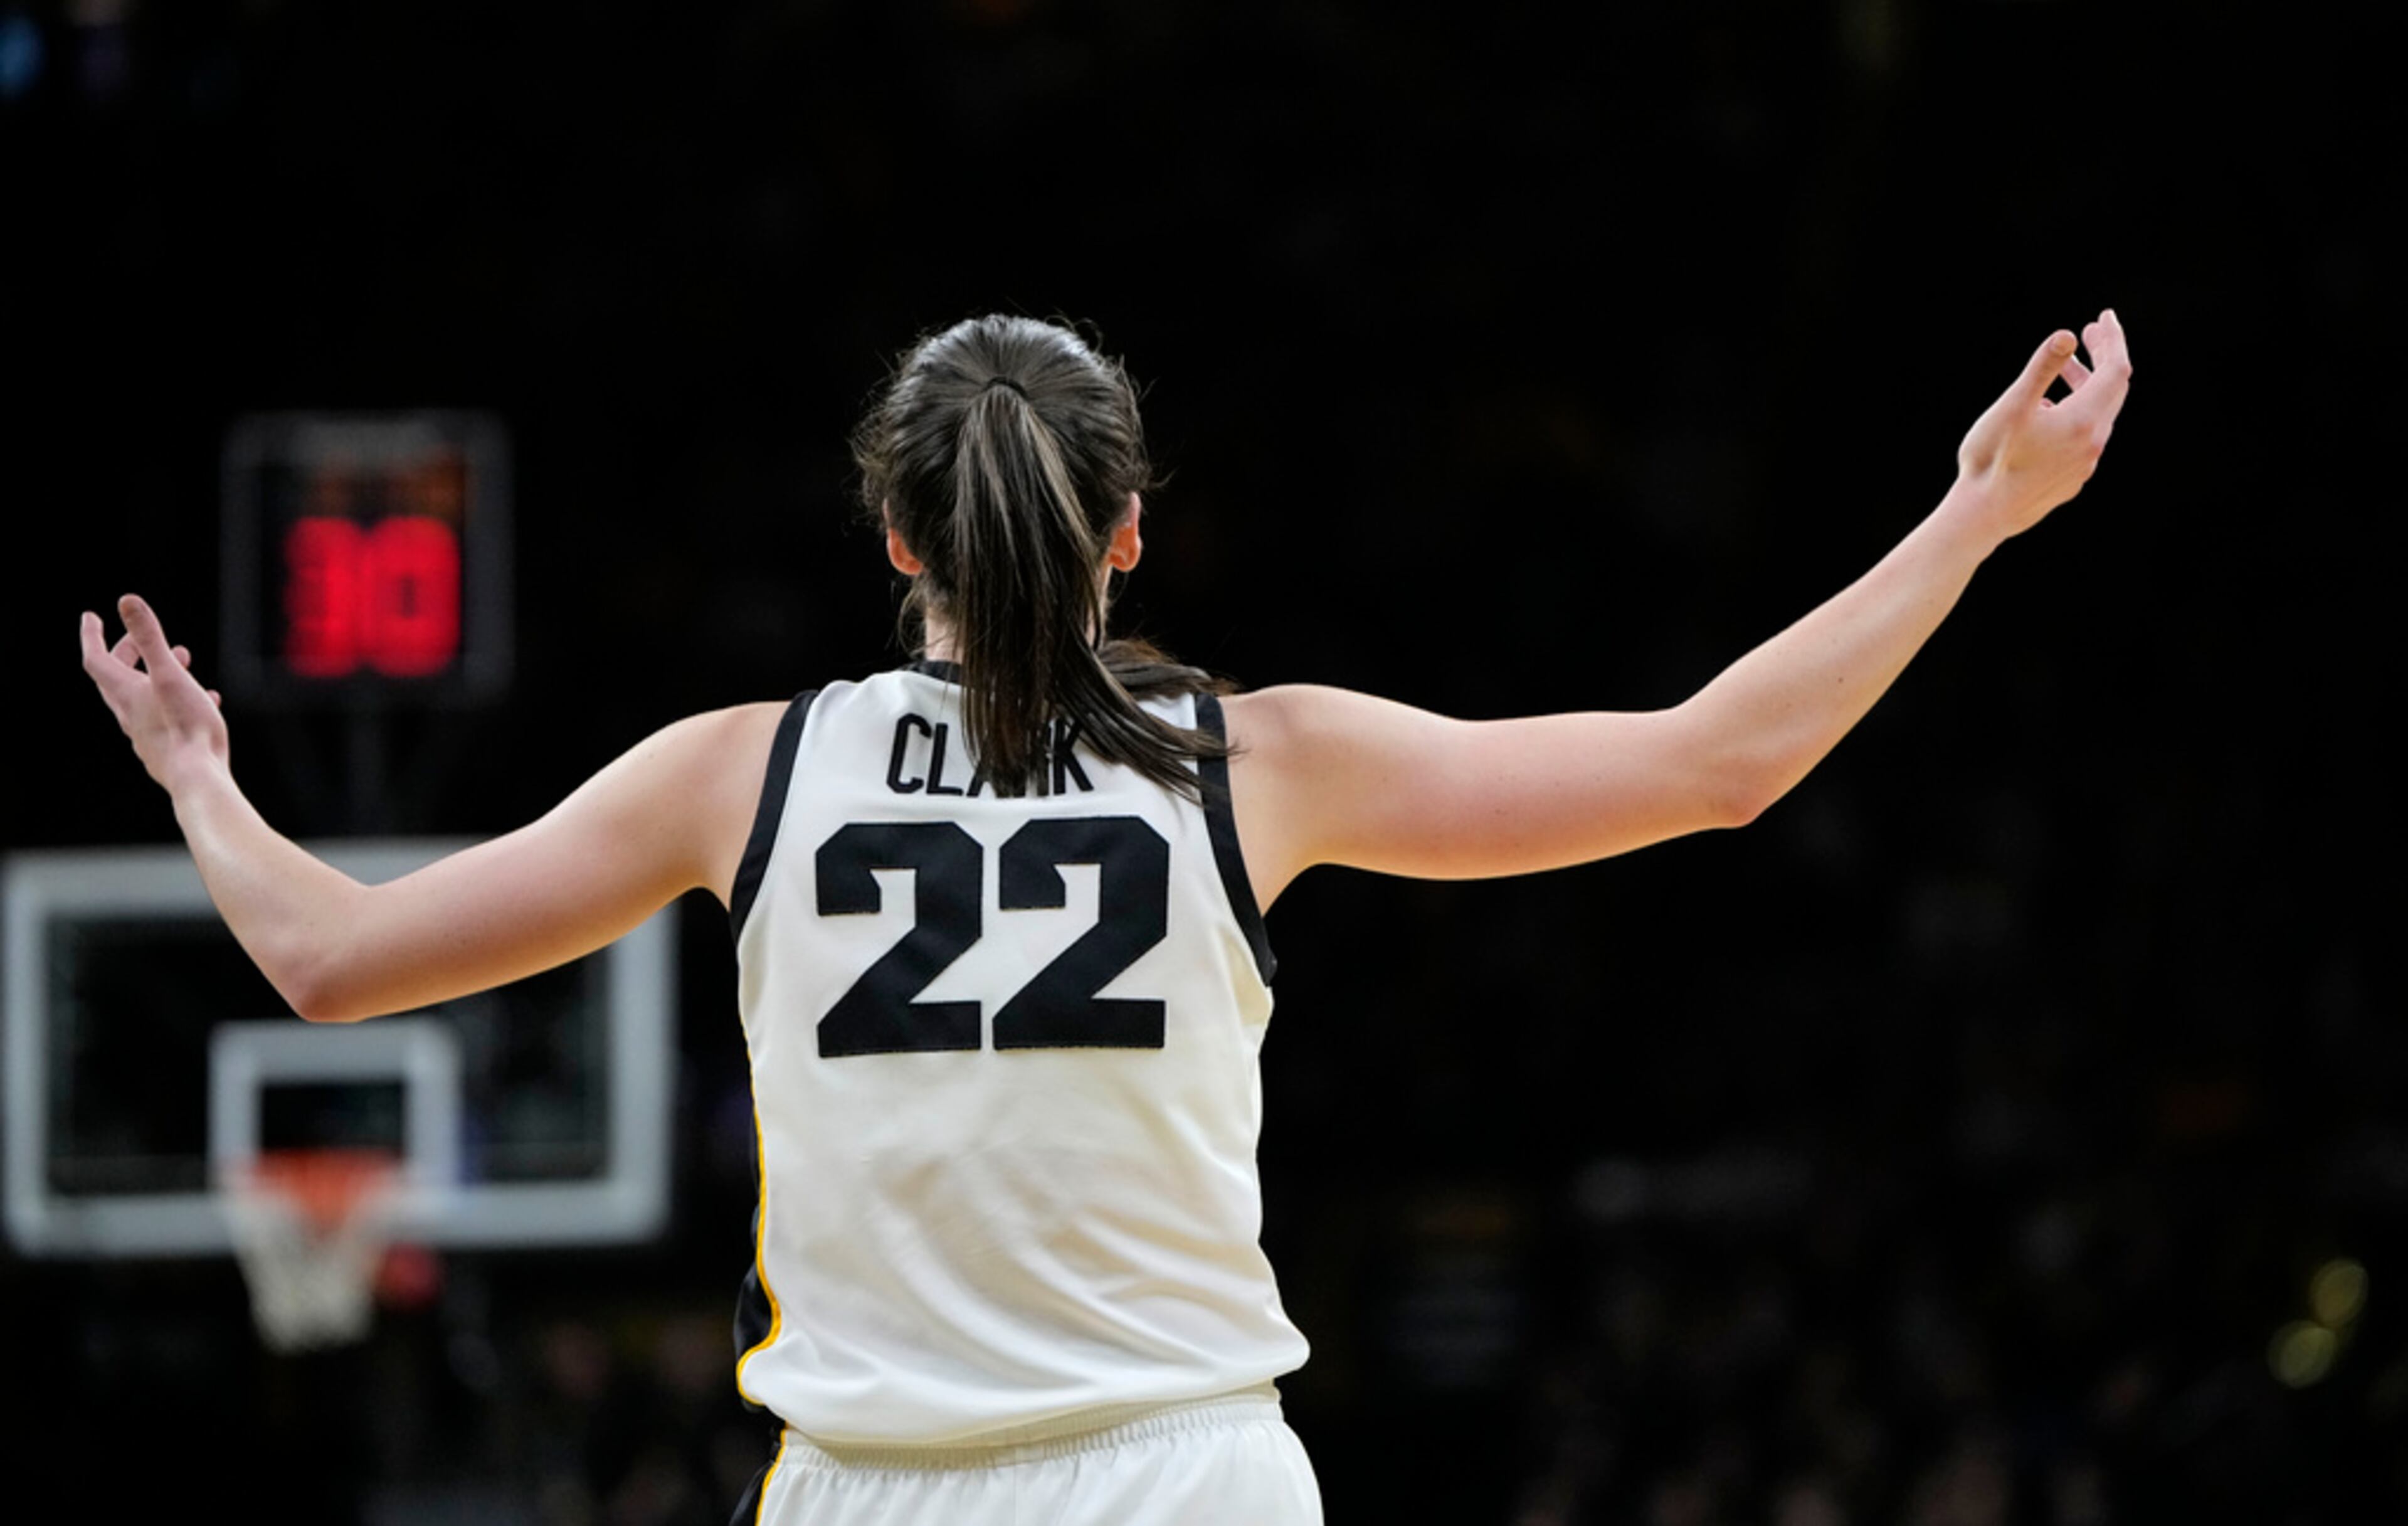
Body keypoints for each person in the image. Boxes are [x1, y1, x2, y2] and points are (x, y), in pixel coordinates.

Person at [80, 309, 2132, 1525]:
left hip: (871, 1484)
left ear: (895, 536)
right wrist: (1981, 508)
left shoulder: (739, 773)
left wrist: (200, 777)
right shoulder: (1260, 760)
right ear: (1134, 529)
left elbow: (325, 959)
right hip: (1185, 1476)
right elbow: (1718, 760)